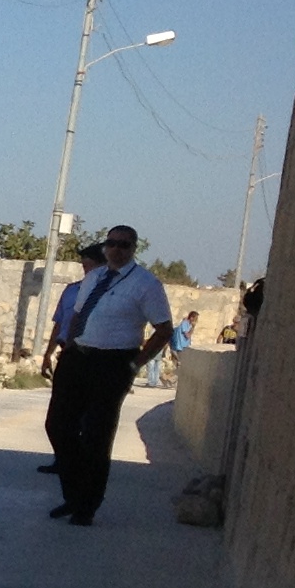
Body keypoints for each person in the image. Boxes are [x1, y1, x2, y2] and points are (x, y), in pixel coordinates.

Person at [45, 224, 174, 525]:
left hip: (113, 362)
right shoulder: (95, 277)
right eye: (112, 243)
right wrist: (69, 346)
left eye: (124, 245)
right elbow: (78, 314)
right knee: (58, 426)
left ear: (133, 249)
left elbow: (164, 330)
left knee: (96, 434)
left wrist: (135, 364)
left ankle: (87, 506)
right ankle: (73, 494)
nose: (117, 249)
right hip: (78, 356)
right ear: (105, 246)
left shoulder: (145, 284)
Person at [38, 239, 111, 471]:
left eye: (90, 267)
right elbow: (60, 323)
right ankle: (62, 459)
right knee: (59, 415)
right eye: (84, 266)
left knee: (88, 416)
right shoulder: (71, 291)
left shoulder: (110, 294)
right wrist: (48, 353)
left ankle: (82, 464)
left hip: (95, 357)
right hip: (68, 354)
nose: (86, 271)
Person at [144, 308, 196, 386]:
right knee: (178, 365)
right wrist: (193, 327)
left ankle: (159, 380)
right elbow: (187, 336)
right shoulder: (184, 324)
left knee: (156, 365)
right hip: (178, 348)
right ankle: (162, 380)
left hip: (170, 348)